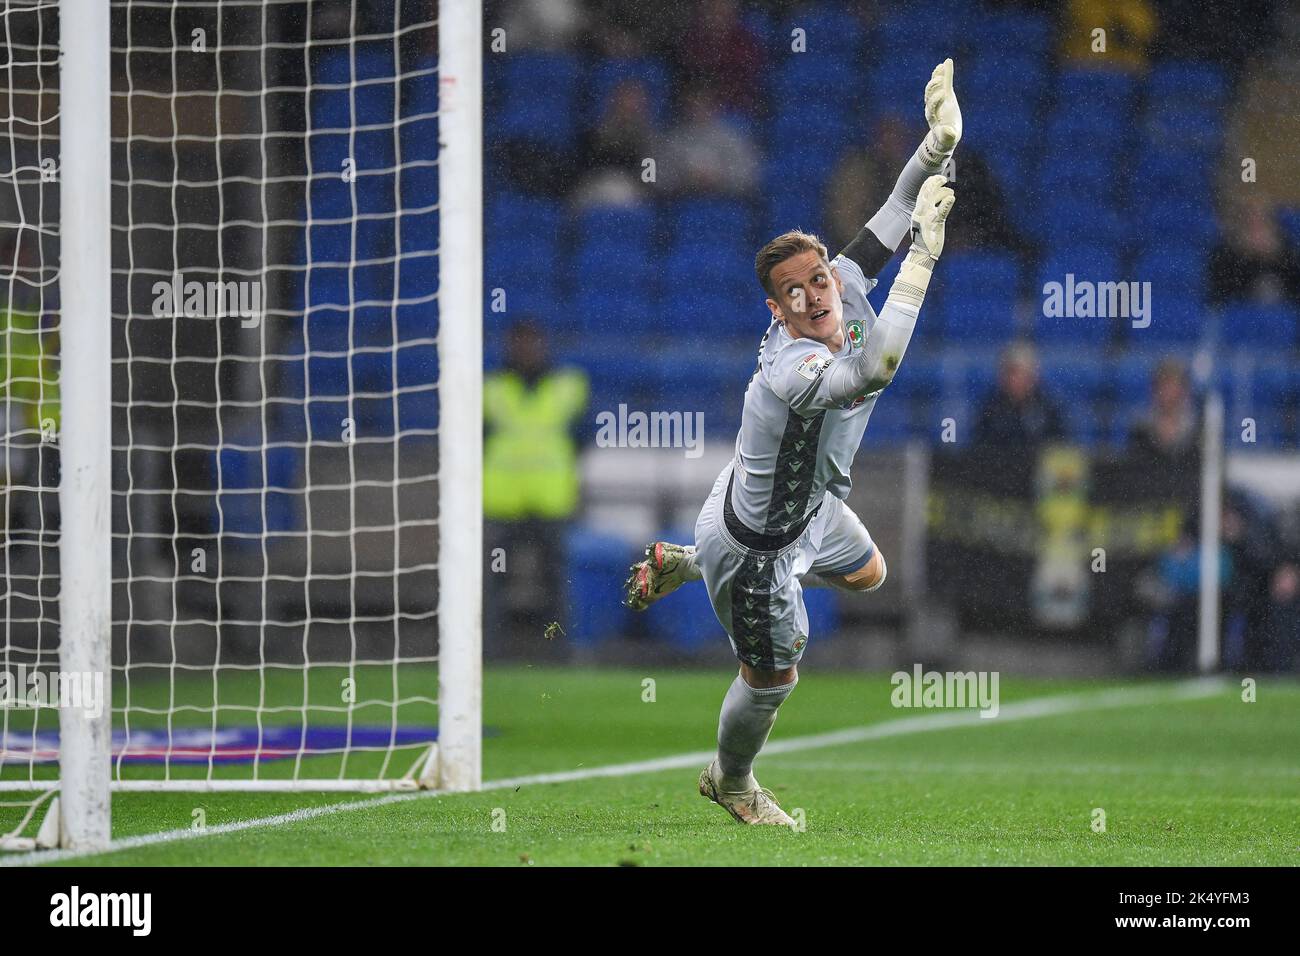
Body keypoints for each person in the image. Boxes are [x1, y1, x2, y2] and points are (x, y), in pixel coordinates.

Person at [623, 61, 962, 826]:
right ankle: (732, 780)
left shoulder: (842, 283)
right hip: (761, 541)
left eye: (817, 279)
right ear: (776, 311)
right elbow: (877, 367)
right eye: (794, 293)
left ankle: (686, 560)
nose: (815, 295)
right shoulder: (796, 367)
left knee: (871, 574)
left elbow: (897, 205)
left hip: (804, 506)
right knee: (774, 677)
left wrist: (935, 145)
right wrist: (924, 260)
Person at [482, 320, 588, 650]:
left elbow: (582, 437)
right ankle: (490, 649)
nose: (526, 350)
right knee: (493, 580)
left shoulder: (568, 387)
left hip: (551, 501)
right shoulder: (491, 389)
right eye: (520, 342)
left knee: (555, 580)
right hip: (503, 502)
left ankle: (557, 649)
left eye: (532, 342)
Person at [972, 342, 1066, 449]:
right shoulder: (989, 408)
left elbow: (1061, 449)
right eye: (1007, 372)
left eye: (1017, 372)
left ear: (1032, 375)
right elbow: (979, 451)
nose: (1012, 379)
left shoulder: (1049, 407)